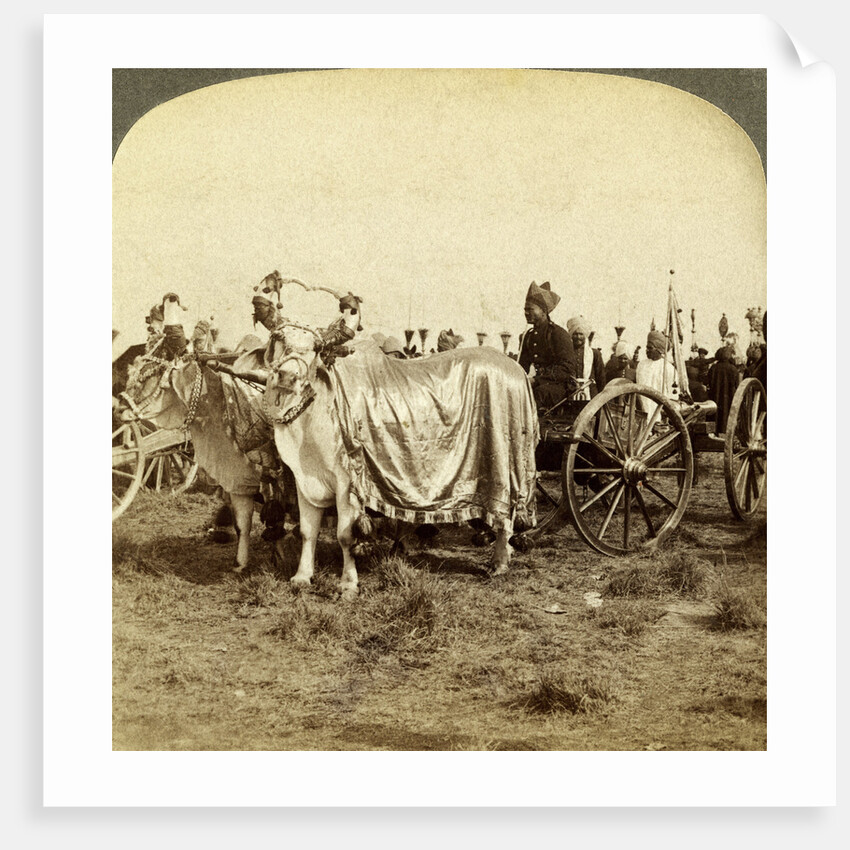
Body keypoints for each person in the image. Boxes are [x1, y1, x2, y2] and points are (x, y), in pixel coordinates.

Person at [518, 281, 577, 410]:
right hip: (539, 383)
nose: (526, 313)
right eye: (525, 310)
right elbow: (522, 366)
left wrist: (538, 380)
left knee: (538, 394)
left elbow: (567, 369)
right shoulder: (527, 336)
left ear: (543, 311)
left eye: (530, 309)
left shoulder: (558, 334)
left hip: (561, 386)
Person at [635, 330, 679, 416]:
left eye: (650, 348)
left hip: (659, 413)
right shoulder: (641, 365)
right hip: (642, 410)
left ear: (659, 350)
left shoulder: (669, 368)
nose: (647, 350)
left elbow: (673, 397)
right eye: (646, 347)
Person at [567, 316, 606, 399]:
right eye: (575, 334)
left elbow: (601, 378)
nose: (578, 337)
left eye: (581, 334)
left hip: (591, 394)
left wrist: (602, 398)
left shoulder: (595, 353)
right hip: (570, 393)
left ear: (585, 335)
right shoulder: (566, 353)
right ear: (571, 335)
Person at [707, 345, 740, 435]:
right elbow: (737, 385)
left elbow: (709, 382)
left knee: (716, 414)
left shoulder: (713, 368)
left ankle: (715, 432)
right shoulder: (733, 369)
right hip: (729, 396)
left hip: (715, 396)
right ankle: (726, 433)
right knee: (727, 414)